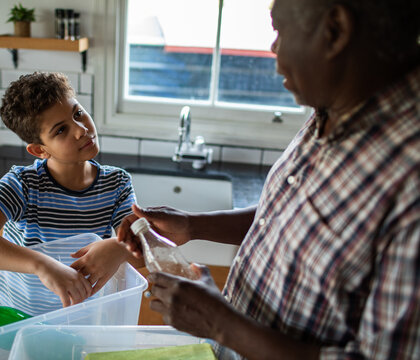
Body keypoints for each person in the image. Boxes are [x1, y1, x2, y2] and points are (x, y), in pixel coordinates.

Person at [117, 0, 419, 358]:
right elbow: (288, 220)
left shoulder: (410, 175)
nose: (273, 48)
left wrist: (220, 323)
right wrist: (191, 225)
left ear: (335, 29)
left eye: (279, 30)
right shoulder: (334, 108)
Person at [0, 72, 142, 314]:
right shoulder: (23, 184)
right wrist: (41, 265)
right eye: (61, 130)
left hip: (86, 319)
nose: (81, 129)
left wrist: (119, 247)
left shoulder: (117, 184)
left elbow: (143, 256)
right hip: (22, 320)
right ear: (39, 150)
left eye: (78, 113)